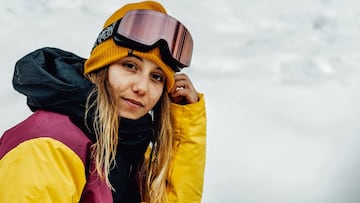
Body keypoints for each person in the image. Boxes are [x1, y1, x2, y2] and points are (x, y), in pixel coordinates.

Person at [0, 1, 206, 203]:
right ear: (102, 68)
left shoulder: (130, 147)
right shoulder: (48, 146)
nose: (142, 87)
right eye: (130, 66)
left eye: (157, 77)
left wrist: (183, 129)